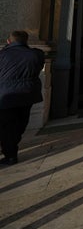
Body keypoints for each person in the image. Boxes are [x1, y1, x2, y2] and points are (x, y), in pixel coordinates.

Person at [0, 31, 44, 165]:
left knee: (7, 126)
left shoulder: (2, 55)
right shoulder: (35, 54)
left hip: (6, 95)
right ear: (26, 41)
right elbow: (38, 66)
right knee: (20, 123)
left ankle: (10, 155)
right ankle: (12, 148)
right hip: (27, 94)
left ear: (9, 41)